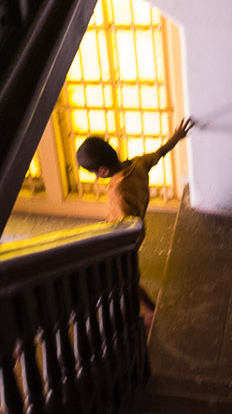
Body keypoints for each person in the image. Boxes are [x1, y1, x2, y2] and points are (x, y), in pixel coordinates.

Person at [76, 117, 194, 324]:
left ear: (103, 170)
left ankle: (150, 315)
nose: (96, 178)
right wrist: (176, 137)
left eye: (94, 173)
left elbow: (125, 226)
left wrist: (112, 248)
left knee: (125, 279)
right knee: (124, 278)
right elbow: (159, 154)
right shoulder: (137, 164)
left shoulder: (119, 193)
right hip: (127, 232)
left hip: (122, 241)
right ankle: (150, 311)